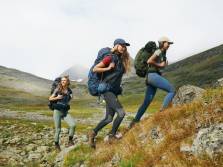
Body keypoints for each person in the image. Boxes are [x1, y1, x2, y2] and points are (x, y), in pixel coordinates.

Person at [88, 38, 131, 148]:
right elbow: (95, 69)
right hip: (107, 90)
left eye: (125, 46)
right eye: (121, 45)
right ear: (116, 45)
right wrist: (108, 68)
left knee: (109, 118)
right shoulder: (110, 57)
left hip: (113, 91)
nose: (123, 47)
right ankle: (112, 136)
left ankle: (92, 133)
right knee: (121, 113)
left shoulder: (119, 59)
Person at [129, 37, 175, 128]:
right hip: (153, 76)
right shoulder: (158, 51)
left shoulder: (162, 53)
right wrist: (160, 65)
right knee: (172, 90)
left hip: (150, 77)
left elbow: (155, 64)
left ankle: (134, 122)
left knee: (147, 102)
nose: (169, 45)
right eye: (167, 43)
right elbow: (149, 61)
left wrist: (162, 65)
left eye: (170, 43)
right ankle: (162, 112)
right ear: (162, 43)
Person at [49, 76, 76, 150]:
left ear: (68, 82)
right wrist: (57, 98)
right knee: (58, 129)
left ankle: (70, 141)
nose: (63, 81)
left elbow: (70, 99)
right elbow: (50, 98)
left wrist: (69, 98)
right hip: (57, 111)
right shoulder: (57, 89)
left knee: (73, 125)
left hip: (65, 111)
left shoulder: (69, 91)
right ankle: (56, 144)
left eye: (65, 80)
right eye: (62, 80)